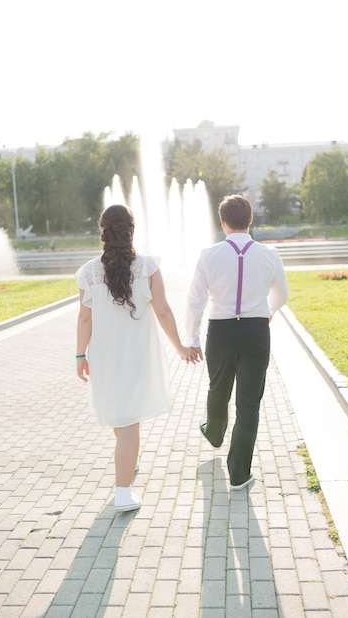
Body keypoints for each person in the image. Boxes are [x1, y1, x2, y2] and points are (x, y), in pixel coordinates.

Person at [76, 204, 197, 512]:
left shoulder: (89, 272)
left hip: (103, 356)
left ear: (103, 230)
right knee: (129, 422)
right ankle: (122, 492)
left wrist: (80, 355)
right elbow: (163, 310)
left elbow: (84, 320)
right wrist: (180, 347)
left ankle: (127, 460)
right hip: (137, 355)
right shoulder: (146, 267)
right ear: (131, 229)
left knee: (122, 416)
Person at [185, 194, 289, 490]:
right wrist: (267, 312)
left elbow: (195, 300)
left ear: (223, 222)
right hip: (256, 332)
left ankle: (215, 432)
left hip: (219, 331)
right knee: (249, 403)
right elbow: (282, 294)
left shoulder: (208, 255)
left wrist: (191, 338)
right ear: (251, 220)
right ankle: (239, 473)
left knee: (218, 387)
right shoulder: (269, 254)